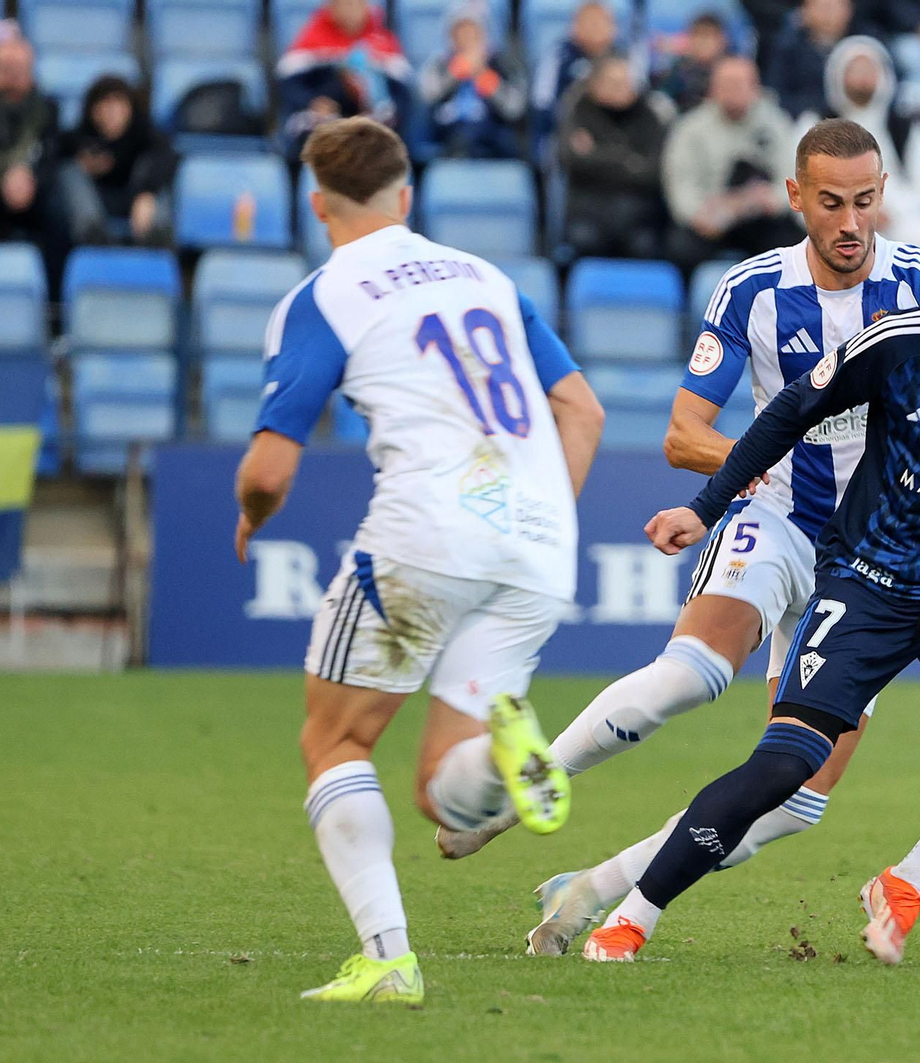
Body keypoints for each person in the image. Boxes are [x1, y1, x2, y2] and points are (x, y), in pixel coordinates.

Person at [433, 123, 920, 960]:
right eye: (831, 203)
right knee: (690, 676)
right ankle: (519, 789)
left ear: (883, 194)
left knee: (798, 797)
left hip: (889, 549)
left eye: (865, 201)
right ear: (795, 198)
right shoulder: (753, 289)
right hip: (776, 513)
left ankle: (594, 890)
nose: (851, 222)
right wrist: (736, 483)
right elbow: (683, 433)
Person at [232, 117, 605, 1004]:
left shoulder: (323, 295)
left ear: (317, 205)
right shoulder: (487, 276)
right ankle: (513, 753)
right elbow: (582, 412)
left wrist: (249, 515)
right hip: (538, 543)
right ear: (407, 196)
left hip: (427, 535)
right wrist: (542, 515)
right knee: (446, 794)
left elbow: (270, 466)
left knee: (335, 737)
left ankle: (389, 958)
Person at [814, 35, 920, 262]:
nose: (863, 77)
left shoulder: (906, 125)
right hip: (834, 221)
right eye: (855, 69)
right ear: (837, 74)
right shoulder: (815, 124)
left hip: (899, 219)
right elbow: (806, 187)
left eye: (868, 69)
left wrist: (887, 212)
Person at [661, 56, 802, 271]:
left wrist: (772, 200)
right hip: (709, 217)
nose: (733, 91)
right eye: (725, 85)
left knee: (795, 244)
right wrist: (699, 214)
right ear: (712, 89)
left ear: (755, 88)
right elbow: (681, 188)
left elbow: (793, 179)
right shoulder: (690, 128)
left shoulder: (776, 123)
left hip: (760, 217)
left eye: (739, 84)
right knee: (678, 248)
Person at [0, 36, 67, 292]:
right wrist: (1, 179)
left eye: (20, 71)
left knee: (58, 210)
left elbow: (52, 159)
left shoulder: (46, 108)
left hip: (30, 189)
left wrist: (30, 180)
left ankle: (53, 304)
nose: (13, 79)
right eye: (5, 70)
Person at [558, 54, 671, 259]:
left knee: (649, 247)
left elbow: (653, 172)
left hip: (638, 217)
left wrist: (598, 154)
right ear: (595, 84)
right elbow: (572, 160)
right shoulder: (578, 111)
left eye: (625, 82)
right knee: (583, 241)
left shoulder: (650, 118)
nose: (620, 88)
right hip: (588, 213)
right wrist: (628, 159)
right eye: (612, 82)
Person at [277, 0, 413, 159]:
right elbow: (290, 85)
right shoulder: (312, 37)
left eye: (357, 4)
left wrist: (375, 110)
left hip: (368, 119)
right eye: (345, 4)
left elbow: (401, 93)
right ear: (331, 8)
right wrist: (312, 102)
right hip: (324, 118)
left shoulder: (383, 40)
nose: (351, 11)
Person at [57, 75, 177, 246]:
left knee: (160, 185)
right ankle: (93, 238)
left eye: (118, 104)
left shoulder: (147, 136)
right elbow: (56, 150)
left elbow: (167, 158)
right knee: (69, 171)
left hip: (136, 202)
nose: (111, 112)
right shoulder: (78, 139)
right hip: (94, 206)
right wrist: (83, 163)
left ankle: (156, 240)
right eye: (104, 104)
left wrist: (146, 192)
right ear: (93, 110)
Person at [418, 0, 527, 159]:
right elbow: (428, 95)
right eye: (461, 32)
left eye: (473, 32)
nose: (467, 38)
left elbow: (514, 108)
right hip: (449, 133)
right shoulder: (440, 62)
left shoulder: (501, 63)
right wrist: (455, 73)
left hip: (492, 135)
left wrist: (484, 76)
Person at [530, 0, 620, 152]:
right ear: (574, 26)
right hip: (566, 137)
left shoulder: (621, 59)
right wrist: (572, 130)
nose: (594, 28)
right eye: (588, 22)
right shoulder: (558, 58)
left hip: (615, 135)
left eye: (600, 22)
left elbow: (635, 101)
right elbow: (542, 104)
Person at [766, 0, 859, 123]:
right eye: (822, 7)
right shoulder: (787, 48)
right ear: (804, 11)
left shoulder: (864, 47)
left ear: (848, 10)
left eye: (833, 7)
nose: (828, 14)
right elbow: (776, 94)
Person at [655, 12, 730, 113]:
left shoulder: (733, 70)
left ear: (722, 40)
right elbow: (662, 99)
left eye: (708, 36)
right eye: (697, 35)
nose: (703, 42)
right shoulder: (679, 69)